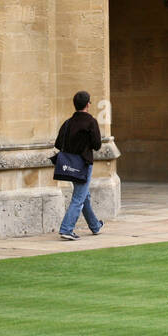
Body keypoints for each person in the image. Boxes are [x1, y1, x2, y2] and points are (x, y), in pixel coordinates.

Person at [56, 91, 104, 241]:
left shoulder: (68, 122)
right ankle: (66, 229)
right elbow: (97, 145)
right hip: (83, 163)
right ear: (87, 104)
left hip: (70, 164)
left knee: (85, 196)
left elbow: (58, 144)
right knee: (79, 197)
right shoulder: (91, 122)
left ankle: (95, 226)